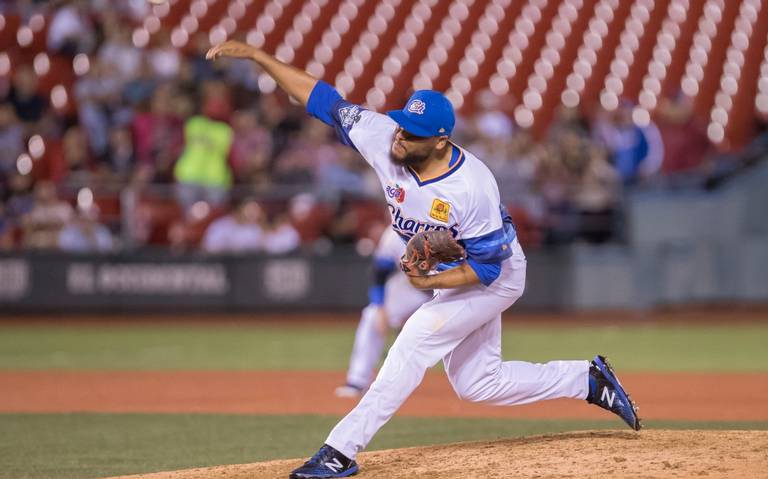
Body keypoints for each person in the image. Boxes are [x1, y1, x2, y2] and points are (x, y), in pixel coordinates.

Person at [207, 40, 641, 479]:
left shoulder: (471, 188)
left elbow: (487, 268)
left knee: (414, 341)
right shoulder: (383, 137)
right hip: (453, 271)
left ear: (440, 140)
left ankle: (340, 450)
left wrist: (423, 285)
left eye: (412, 134)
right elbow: (322, 100)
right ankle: (586, 380)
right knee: (477, 383)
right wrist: (260, 58)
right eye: (400, 125)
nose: (399, 135)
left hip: (496, 277)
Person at [334, 227, 433, 399]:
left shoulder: (446, 223)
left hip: (457, 288)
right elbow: (379, 272)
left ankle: (480, 380)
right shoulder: (394, 234)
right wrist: (380, 308)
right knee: (372, 315)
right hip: (415, 288)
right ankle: (357, 380)